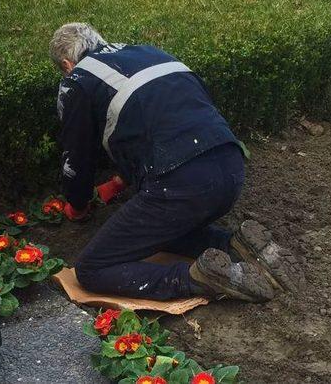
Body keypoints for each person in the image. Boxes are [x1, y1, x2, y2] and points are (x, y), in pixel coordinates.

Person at [50, 23, 302, 302]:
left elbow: (77, 158)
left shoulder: (77, 79)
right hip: (229, 171)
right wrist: (120, 181)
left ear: (66, 63)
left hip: (180, 186)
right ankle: (235, 245)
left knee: (91, 269)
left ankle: (197, 277)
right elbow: (167, 122)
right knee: (158, 231)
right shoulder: (147, 53)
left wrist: (78, 204)